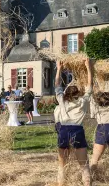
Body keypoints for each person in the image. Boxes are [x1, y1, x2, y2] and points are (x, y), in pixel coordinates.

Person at [54, 58, 92, 186]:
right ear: (78, 93)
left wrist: (59, 69)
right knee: (84, 165)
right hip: (77, 130)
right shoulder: (83, 101)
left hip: (64, 131)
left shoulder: (62, 100)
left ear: (66, 94)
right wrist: (88, 67)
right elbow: (89, 86)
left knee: (61, 164)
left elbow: (57, 85)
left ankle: (61, 183)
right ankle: (87, 183)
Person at [89, 91, 109, 172]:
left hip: (102, 128)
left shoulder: (96, 107)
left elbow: (92, 116)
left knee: (95, 158)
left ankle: (92, 176)